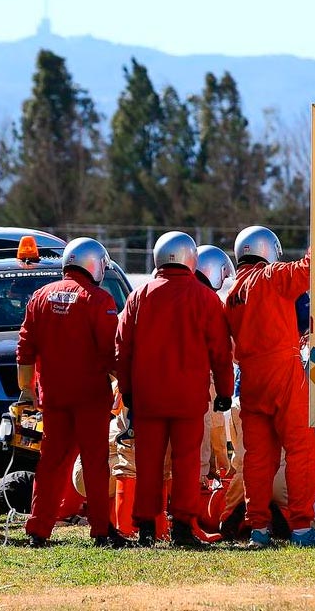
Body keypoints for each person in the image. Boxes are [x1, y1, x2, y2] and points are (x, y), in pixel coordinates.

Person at [116, 231, 235, 548]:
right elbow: (221, 354)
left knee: (149, 464)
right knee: (187, 464)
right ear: (189, 258)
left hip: (148, 398)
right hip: (189, 399)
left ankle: (145, 530)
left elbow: (122, 348)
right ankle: (182, 528)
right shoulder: (206, 298)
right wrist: (224, 392)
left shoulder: (139, 296)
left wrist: (127, 391)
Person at [224, 225, 315, 548]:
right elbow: (308, 270)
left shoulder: (232, 295)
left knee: (257, 458)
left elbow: (229, 347)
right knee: (301, 447)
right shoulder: (271, 276)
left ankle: (258, 529)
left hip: (250, 380)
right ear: (266, 249)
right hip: (283, 373)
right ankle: (302, 528)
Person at [17, 237, 130, 548]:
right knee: (95, 464)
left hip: (53, 397)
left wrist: (26, 390)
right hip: (90, 398)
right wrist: (127, 385)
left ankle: (38, 529)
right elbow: (111, 353)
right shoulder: (98, 300)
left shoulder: (39, 297)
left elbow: (24, 348)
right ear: (93, 263)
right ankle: (100, 531)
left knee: (50, 463)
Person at [194, 245, 236, 481]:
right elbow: (223, 354)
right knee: (203, 446)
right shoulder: (210, 301)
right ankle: (196, 505)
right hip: (199, 385)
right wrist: (225, 392)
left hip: (155, 387)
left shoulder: (153, 292)